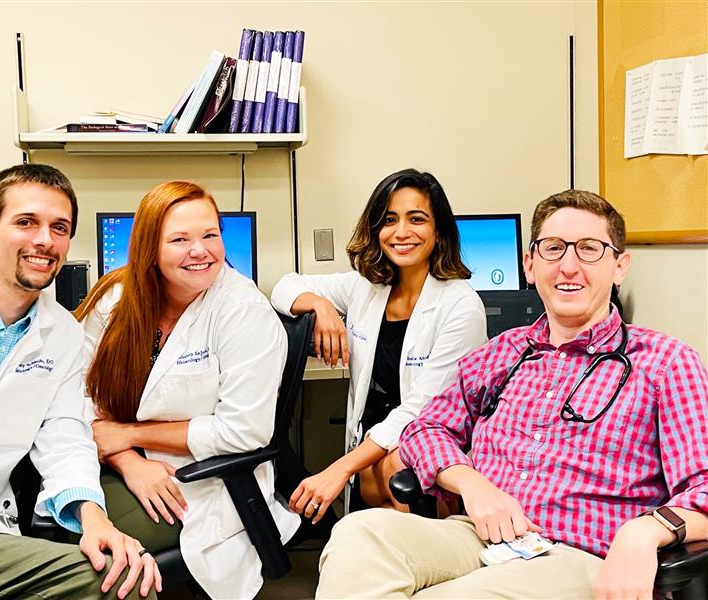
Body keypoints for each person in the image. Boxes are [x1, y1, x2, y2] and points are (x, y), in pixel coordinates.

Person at [315, 189, 708, 599]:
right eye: (553, 249)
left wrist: (645, 532)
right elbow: (425, 428)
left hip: (581, 553)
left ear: (620, 266)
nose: (568, 267)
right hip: (479, 536)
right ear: (530, 265)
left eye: (589, 249)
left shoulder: (664, 363)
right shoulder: (501, 353)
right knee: (358, 535)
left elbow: (704, 485)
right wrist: (473, 486)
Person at [0, 164, 160, 600]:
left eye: (59, 228)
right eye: (26, 222)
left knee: (122, 582)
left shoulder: (62, 334)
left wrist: (93, 516)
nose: (44, 240)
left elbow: (65, 436)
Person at [74, 181, 299, 600]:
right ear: (149, 248)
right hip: (118, 465)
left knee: (88, 555)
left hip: (200, 480)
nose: (200, 251)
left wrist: (129, 435)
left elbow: (243, 433)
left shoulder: (243, 312)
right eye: (180, 239)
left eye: (210, 235)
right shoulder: (117, 298)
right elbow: (74, 391)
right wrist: (127, 460)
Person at [270, 168, 487, 523]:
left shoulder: (460, 306)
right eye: (389, 220)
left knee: (401, 474)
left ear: (439, 230)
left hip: (420, 444)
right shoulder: (367, 287)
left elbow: (422, 409)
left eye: (416, 219)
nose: (401, 232)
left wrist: (338, 470)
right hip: (370, 445)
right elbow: (284, 286)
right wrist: (321, 306)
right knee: (386, 504)